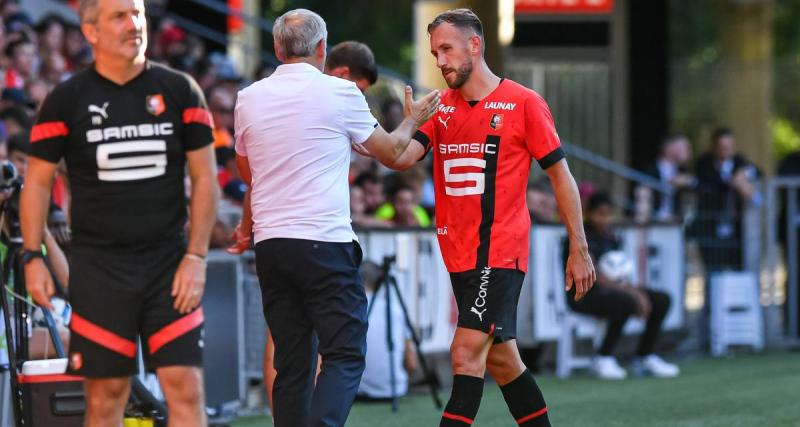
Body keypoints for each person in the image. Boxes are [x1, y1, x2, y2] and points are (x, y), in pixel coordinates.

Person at [379, 9, 595, 427]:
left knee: (463, 353)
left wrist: (579, 247)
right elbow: (398, 158)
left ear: (474, 46)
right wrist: (409, 121)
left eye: (446, 49)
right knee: (503, 363)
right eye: (434, 52)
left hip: (499, 252)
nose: (439, 61)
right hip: (459, 256)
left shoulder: (524, 103)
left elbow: (561, 176)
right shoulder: (440, 110)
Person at [229, 9, 439, 427]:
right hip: (324, 242)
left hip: (272, 245)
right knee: (344, 353)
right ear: (322, 48)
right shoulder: (340, 94)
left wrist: (248, 224)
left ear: (276, 48)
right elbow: (394, 153)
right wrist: (414, 119)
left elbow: (246, 172)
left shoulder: (247, 98)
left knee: (292, 363)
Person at [20, 1, 218, 426]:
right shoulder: (65, 100)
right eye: (119, 16)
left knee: (185, 387)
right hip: (100, 272)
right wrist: (32, 256)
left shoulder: (181, 90)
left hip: (170, 266)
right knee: (108, 396)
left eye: (138, 14)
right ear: (90, 32)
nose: (134, 24)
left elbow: (205, 179)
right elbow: (36, 183)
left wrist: (197, 257)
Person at [566, 193, 679, 379]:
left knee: (661, 299)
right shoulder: (578, 238)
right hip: (583, 295)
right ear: (589, 214)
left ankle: (645, 356)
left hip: (612, 291)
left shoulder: (613, 238)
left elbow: (619, 274)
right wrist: (633, 294)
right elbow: (594, 276)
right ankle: (603, 357)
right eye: (600, 214)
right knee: (626, 301)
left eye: (609, 214)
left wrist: (635, 291)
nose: (605, 219)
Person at [693, 127, 759, 271]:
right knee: (713, 269)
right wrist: (733, 180)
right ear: (714, 147)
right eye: (722, 148)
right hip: (711, 225)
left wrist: (743, 175)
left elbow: (758, 172)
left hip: (735, 226)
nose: (725, 151)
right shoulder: (704, 163)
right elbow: (710, 183)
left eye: (729, 148)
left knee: (738, 268)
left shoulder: (740, 161)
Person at [356, 261, 417, 400]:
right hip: (395, 390)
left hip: (357, 390)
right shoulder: (396, 309)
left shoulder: (349, 310)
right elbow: (412, 364)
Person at [642, 134, 694, 221]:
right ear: (669, 148)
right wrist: (668, 183)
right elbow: (644, 188)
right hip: (655, 219)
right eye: (682, 148)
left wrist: (687, 181)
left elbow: (696, 183)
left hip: (676, 220)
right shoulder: (651, 169)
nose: (687, 152)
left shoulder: (682, 169)